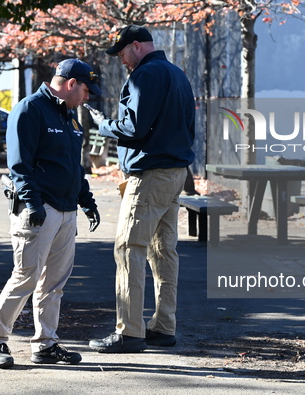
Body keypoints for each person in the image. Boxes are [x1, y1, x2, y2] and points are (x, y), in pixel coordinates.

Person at [0, 59, 102, 368]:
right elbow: (19, 164)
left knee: (54, 284)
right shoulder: (30, 108)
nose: (88, 97)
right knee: (25, 277)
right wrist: (32, 203)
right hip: (38, 209)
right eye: (86, 90)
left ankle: (46, 344)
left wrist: (85, 199)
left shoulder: (69, 116)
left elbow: (73, 166)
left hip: (66, 210)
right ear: (71, 83)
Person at [86, 24, 195, 353]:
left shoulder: (145, 75)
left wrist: (103, 124)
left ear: (136, 46)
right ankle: (163, 326)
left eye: (122, 53)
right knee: (164, 251)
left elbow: (133, 126)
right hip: (176, 172)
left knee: (128, 248)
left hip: (150, 175)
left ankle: (129, 333)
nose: (121, 60)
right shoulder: (178, 74)